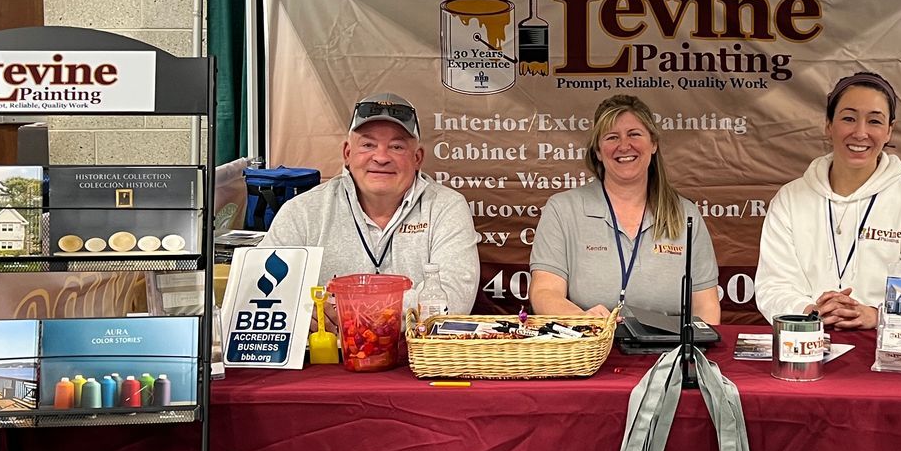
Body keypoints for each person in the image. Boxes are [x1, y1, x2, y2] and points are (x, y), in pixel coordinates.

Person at [754, 70, 901, 330]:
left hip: (884, 347)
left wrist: (875, 315)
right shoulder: (790, 199)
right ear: (829, 125)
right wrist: (810, 312)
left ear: (890, 131)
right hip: (804, 340)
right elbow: (773, 285)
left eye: (875, 122)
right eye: (848, 118)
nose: (860, 132)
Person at [261, 92, 479, 311]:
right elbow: (260, 292)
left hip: (416, 346)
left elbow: (453, 300)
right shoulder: (302, 212)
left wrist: (345, 310)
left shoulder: (446, 207)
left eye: (397, 147)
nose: (381, 157)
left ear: (417, 158)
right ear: (347, 153)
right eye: (367, 145)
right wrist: (304, 313)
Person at [531, 93, 721, 323]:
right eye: (612, 137)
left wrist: (692, 356)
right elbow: (544, 293)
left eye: (634, 134)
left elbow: (705, 306)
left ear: (653, 144)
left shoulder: (685, 213)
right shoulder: (563, 209)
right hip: (590, 349)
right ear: (598, 151)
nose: (624, 146)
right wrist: (583, 319)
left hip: (669, 353)